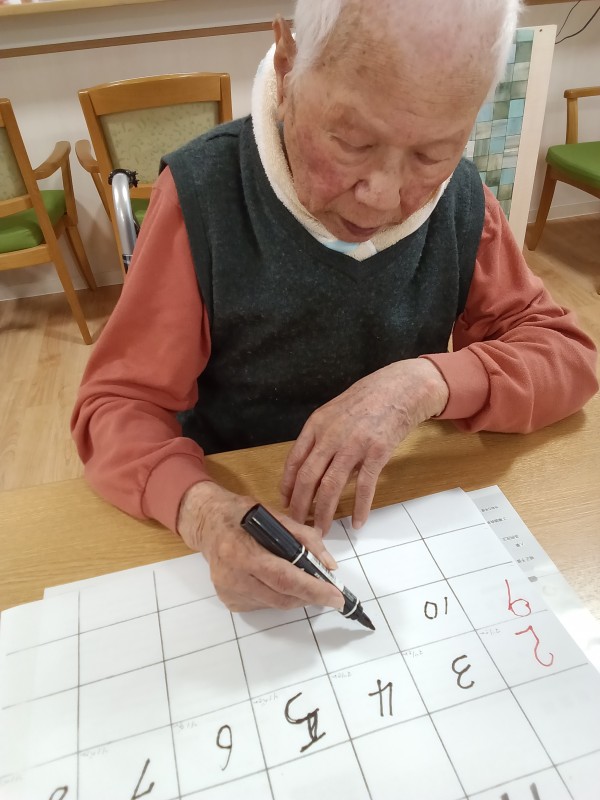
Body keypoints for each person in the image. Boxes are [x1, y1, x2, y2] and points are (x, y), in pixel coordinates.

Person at [72, 0, 598, 616]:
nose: (382, 197)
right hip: (244, 499)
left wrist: (426, 382)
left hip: (393, 510)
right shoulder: (203, 198)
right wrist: (202, 511)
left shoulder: (462, 202)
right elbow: (118, 405)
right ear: (288, 65)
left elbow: (565, 355)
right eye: (351, 143)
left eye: (432, 154)